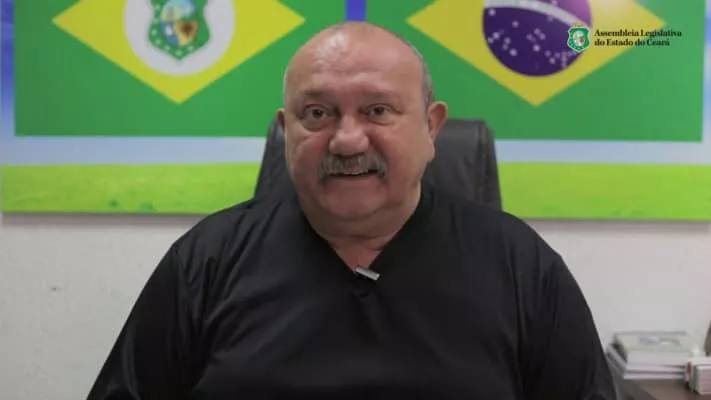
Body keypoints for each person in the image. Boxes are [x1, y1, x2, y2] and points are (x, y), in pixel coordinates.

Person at [86, 21, 616, 399]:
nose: (346, 139)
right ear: (286, 131)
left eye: (377, 110)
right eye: (317, 113)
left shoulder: (522, 266)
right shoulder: (206, 261)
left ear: (431, 126)